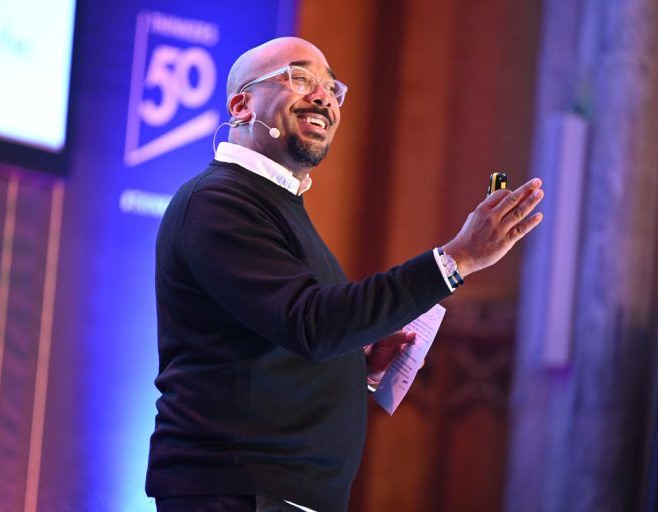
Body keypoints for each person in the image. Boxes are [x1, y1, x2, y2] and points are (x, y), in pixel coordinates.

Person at [145, 37, 544, 512]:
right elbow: (311, 323)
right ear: (241, 103)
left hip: (276, 492)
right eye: (299, 78)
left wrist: (355, 366)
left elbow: (292, 333)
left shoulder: (275, 203)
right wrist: (456, 258)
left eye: (332, 87)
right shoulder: (218, 202)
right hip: (238, 490)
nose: (323, 97)